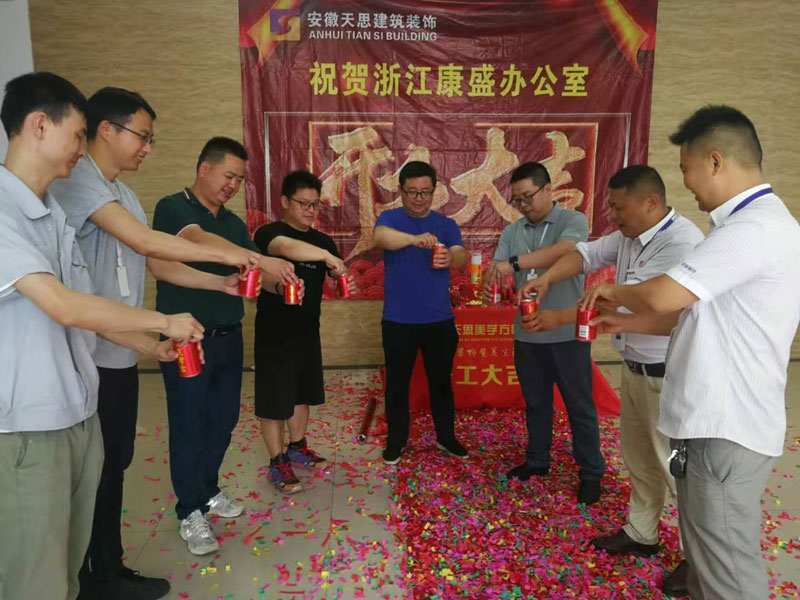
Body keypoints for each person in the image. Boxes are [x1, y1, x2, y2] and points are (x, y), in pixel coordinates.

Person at [50, 87, 263, 600]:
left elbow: (154, 265)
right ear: (107, 129)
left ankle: (108, 567)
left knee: (117, 463)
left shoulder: (123, 194)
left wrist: (153, 338)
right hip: (85, 355)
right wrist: (230, 260)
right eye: (142, 136)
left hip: (119, 348)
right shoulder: (80, 183)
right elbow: (149, 244)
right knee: (102, 469)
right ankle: (99, 573)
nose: (148, 147)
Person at [0, 72, 203, 600]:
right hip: (29, 423)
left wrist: (147, 345)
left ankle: (102, 577)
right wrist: (163, 322)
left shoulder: (53, 215)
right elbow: (63, 305)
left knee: (67, 565)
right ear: (38, 125)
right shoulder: (3, 211)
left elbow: (93, 309)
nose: (81, 147)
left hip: (78, 410)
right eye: (77, 134)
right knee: (36, 574)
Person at [583, 106, 800, 599]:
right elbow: (698, 316)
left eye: (687, 170)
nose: (687, 184)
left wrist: (613, 292)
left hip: (727, 426)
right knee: (706, 559)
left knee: (727, 571)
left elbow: (665, 295)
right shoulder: (745, 226)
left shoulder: (754, 229)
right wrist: (627, 321)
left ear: (716, 161)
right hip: (710, 421)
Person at [519, 165, 703, 595]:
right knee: (639, 458)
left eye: (620, 208)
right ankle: (642, 532)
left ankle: (698, 559)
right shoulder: (627, 236)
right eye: (611, 207)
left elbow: (651, 310)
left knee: (676, 470)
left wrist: (561, 318)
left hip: (668, 374)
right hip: (635, 368)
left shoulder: (682, 243)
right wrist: (546, 279)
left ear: (651, 202)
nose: (613, 216)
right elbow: (584, 255)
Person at [153, 137, 297, 556]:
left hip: (228, 337)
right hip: (186, 339)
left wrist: (281, 282)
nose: (233, 185)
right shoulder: (174, 208)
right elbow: (197, 241)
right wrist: (259, 260)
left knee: (222, 420)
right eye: (228, 175)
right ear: (204, 169)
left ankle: (207, 490)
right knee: (189, 423)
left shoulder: (233, 223)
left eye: (239, 179)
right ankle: (188, 510)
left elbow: (253, 270)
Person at [485, 161, 605, 504]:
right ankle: (537, 460)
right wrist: (496, 282)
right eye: (517, 200)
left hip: (566, 332)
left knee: (579, 406)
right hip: (528, 334)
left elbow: (566, 251)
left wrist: (515, 263)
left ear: (548, 189)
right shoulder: (512, 231)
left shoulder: (572, 221)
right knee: (536, 403)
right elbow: (498, 270)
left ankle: (591, 471)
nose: (523, 205)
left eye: (528, 197)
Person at [253, 170, 355, 492]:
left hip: (308, 330)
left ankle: (297, 447)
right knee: (274, 399)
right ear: (285, 201)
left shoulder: (323, 241)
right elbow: (285, 248)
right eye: (303, 204)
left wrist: (342, 277)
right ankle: (277, 461)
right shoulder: (270, 233)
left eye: (315, 205)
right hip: (274, 333)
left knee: (302, 393)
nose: (310, 211)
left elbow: (335, 275)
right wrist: (326, 257)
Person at [373, 160, 468, 465]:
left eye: (425, 192)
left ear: (434, 192)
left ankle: (446, 437)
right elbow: (380, 237)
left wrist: (450, 258)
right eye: (412, 192)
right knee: (397, 385)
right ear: (401, 191)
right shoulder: (390, 218)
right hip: (398, 321)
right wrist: (415, 240)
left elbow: (461, 254)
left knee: (441, 383)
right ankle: (396, 441)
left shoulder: (445, 224)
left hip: (438, 321)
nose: (418, 198)